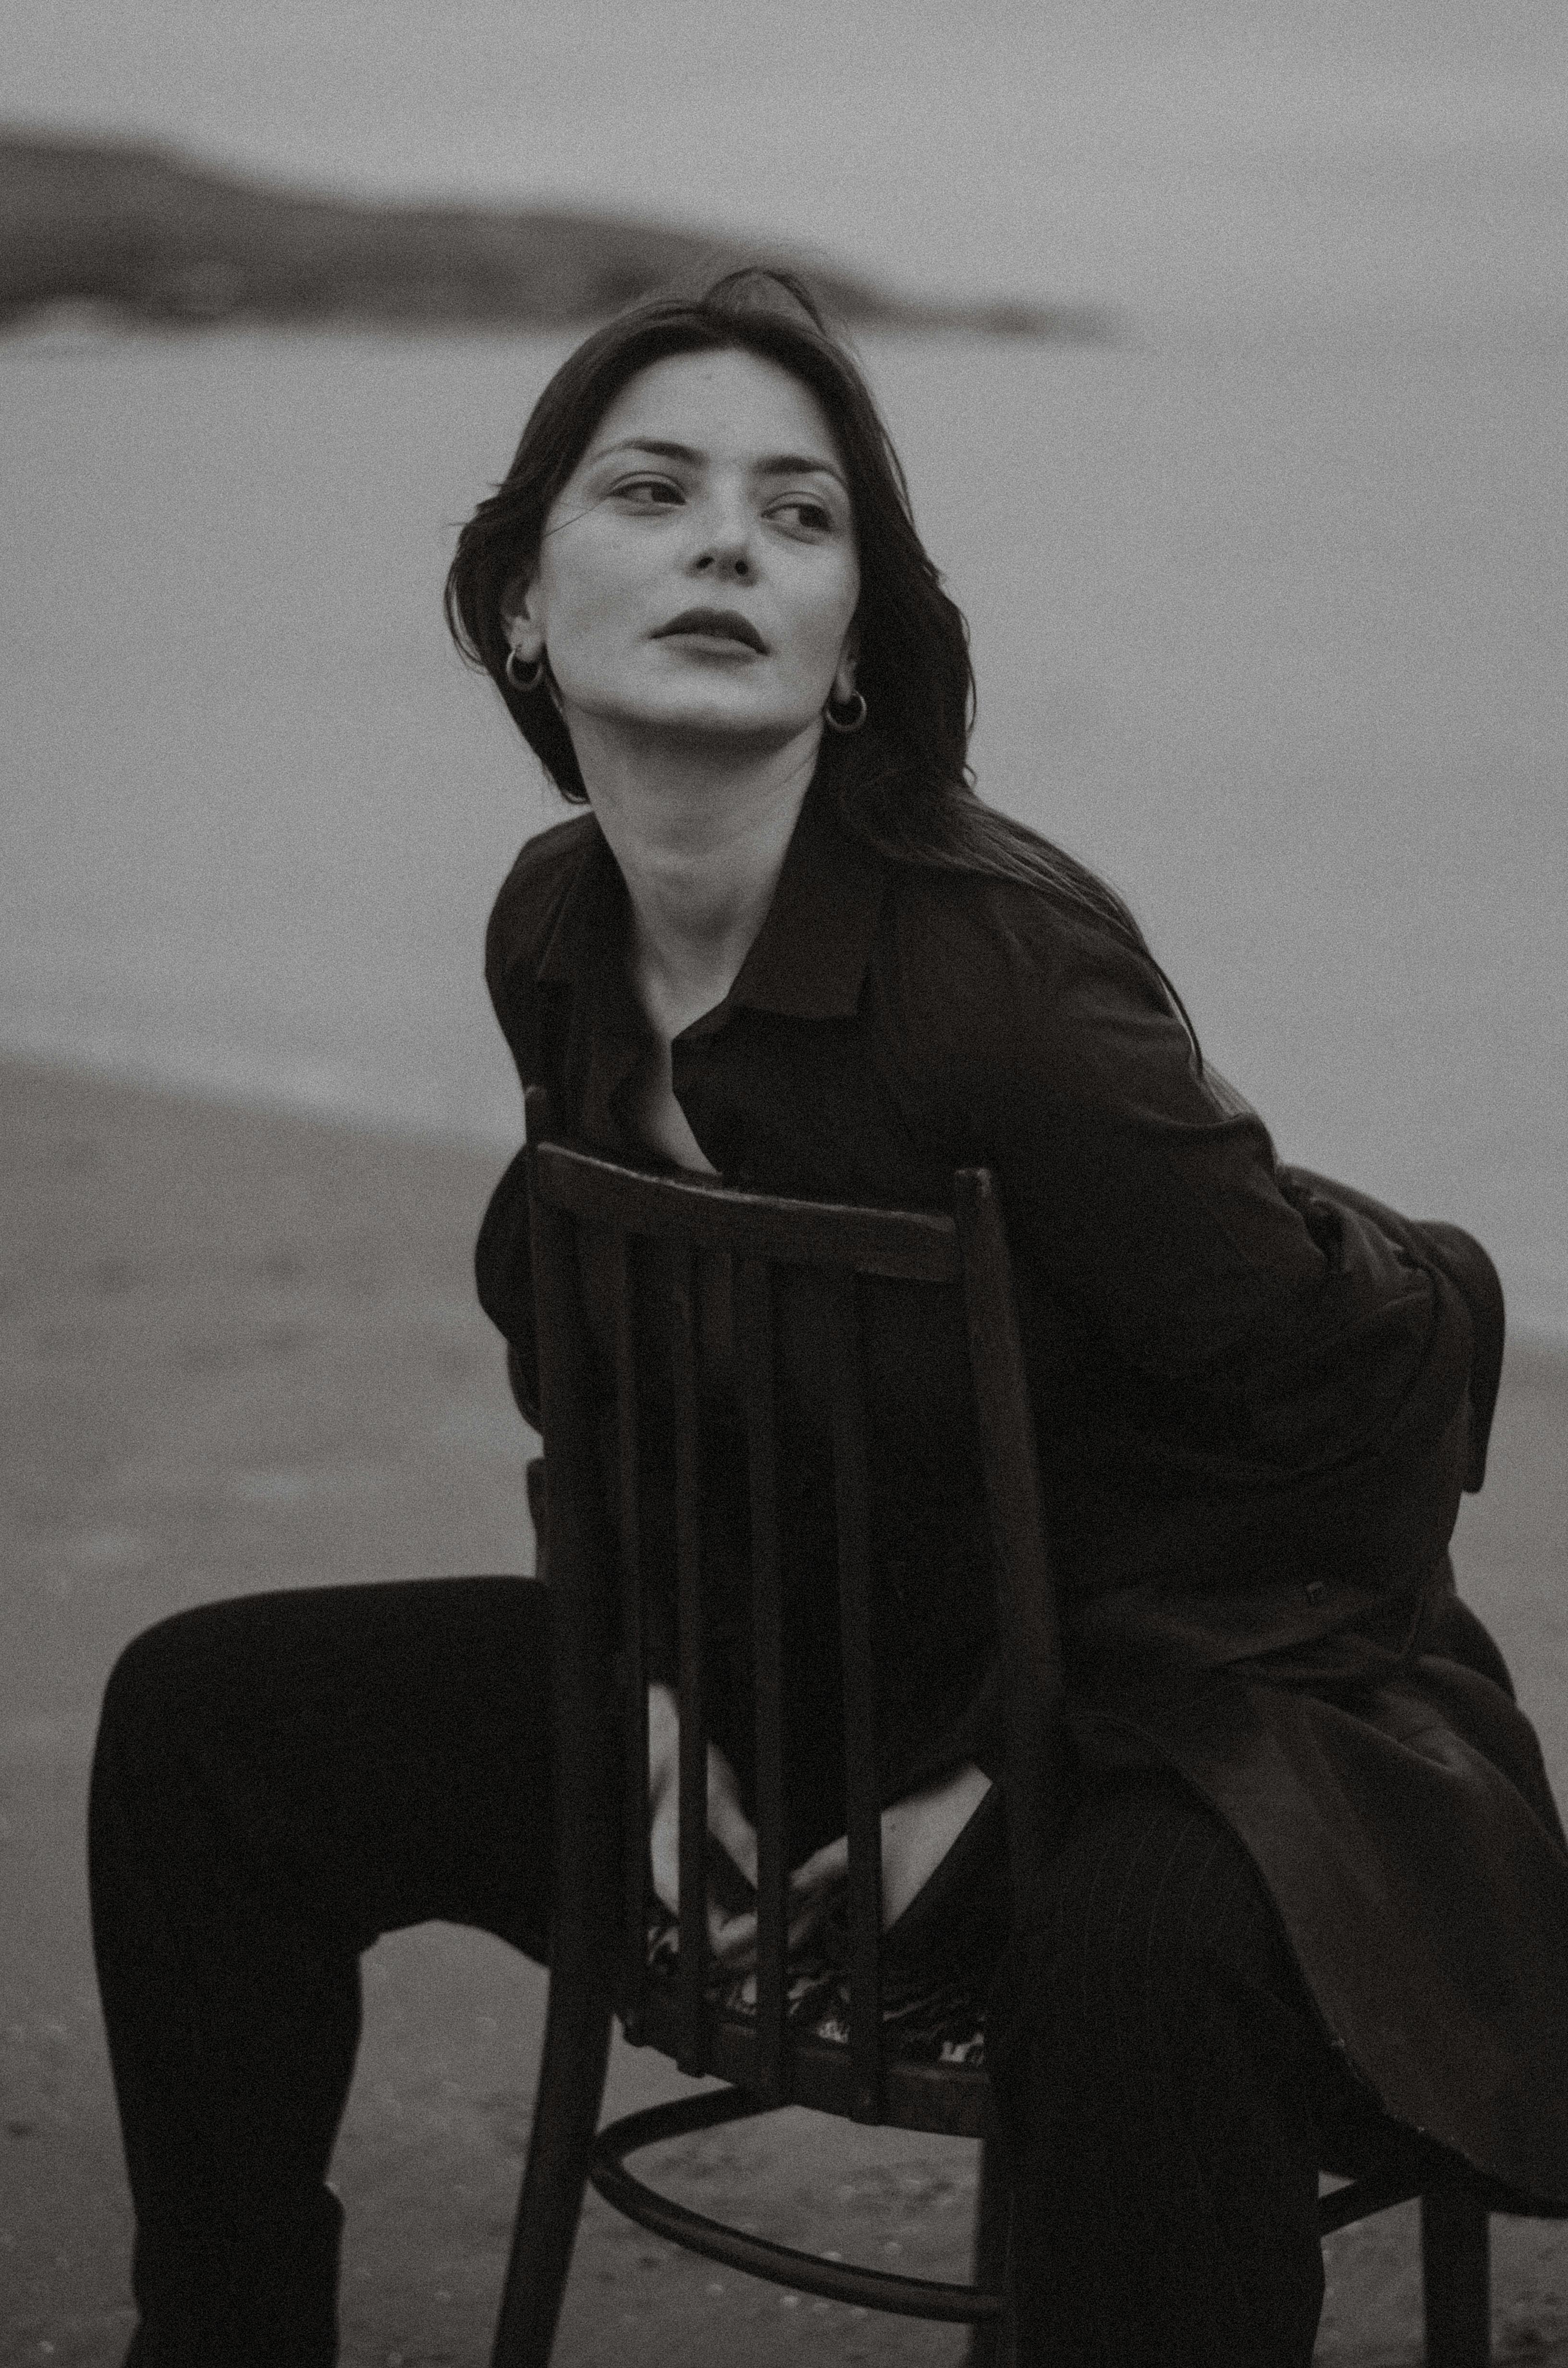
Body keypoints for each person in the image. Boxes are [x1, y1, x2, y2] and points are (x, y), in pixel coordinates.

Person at [90, 270, 1568, 2368]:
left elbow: (1342, 1420)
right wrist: (675, 1688)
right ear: (522, 600)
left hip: (1196, 1721)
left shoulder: (998, 982)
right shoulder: (558, 932)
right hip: (799, 1707)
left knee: (1134, 1953)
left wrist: (981, 1771)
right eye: (657, 489)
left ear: (854, 650)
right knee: (207, 1729)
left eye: (799, 518)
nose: (727, 541)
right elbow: (606, 1379)